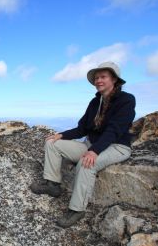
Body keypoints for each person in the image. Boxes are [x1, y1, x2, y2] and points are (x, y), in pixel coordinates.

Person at [30, 61, 135, 227]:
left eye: (103, 77)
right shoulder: (95, 102)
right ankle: (52, 184)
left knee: (86, 163)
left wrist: (94, 151)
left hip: (116, 146)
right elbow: (82, 128)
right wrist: (62, 135)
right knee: (52, 143)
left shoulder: (126, 100)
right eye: (96, 78)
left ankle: (77, 210)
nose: (98, 80)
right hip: (92, 144)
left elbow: (114, 130)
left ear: (114, 79)